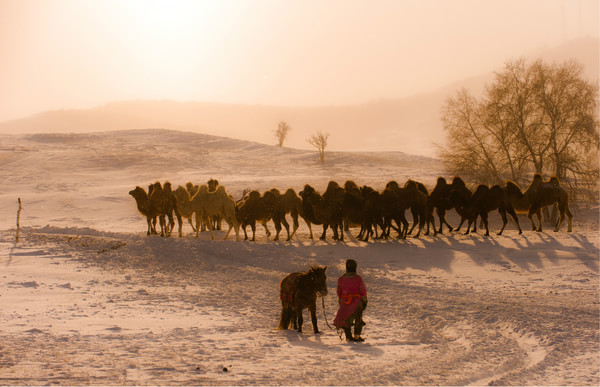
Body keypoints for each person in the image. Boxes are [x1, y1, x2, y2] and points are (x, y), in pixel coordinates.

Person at [333, 259, 368, 342]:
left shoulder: (341, 278)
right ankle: (356, 336)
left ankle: (348, 337)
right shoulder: (357, 278)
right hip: (356, 302)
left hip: (345, 301)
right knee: (358, 318)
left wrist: (341, 301)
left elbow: (339, 291)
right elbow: (362, 290)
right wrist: (364, 301)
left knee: (346, 319)